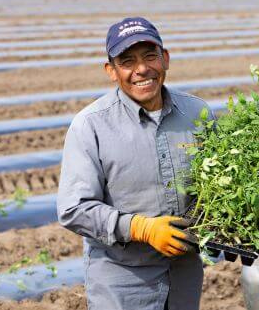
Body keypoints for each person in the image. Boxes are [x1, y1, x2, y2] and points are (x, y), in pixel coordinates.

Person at [57, 17, 213, 310]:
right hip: (123, 284)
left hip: (184, 277)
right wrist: (141, 228)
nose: (142, 69)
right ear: (111, 71)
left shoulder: (197, 113)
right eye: (127, 61)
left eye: (150, 56)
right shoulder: (90, 126)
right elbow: (73, 209)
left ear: (165, 59)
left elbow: (217, 187)